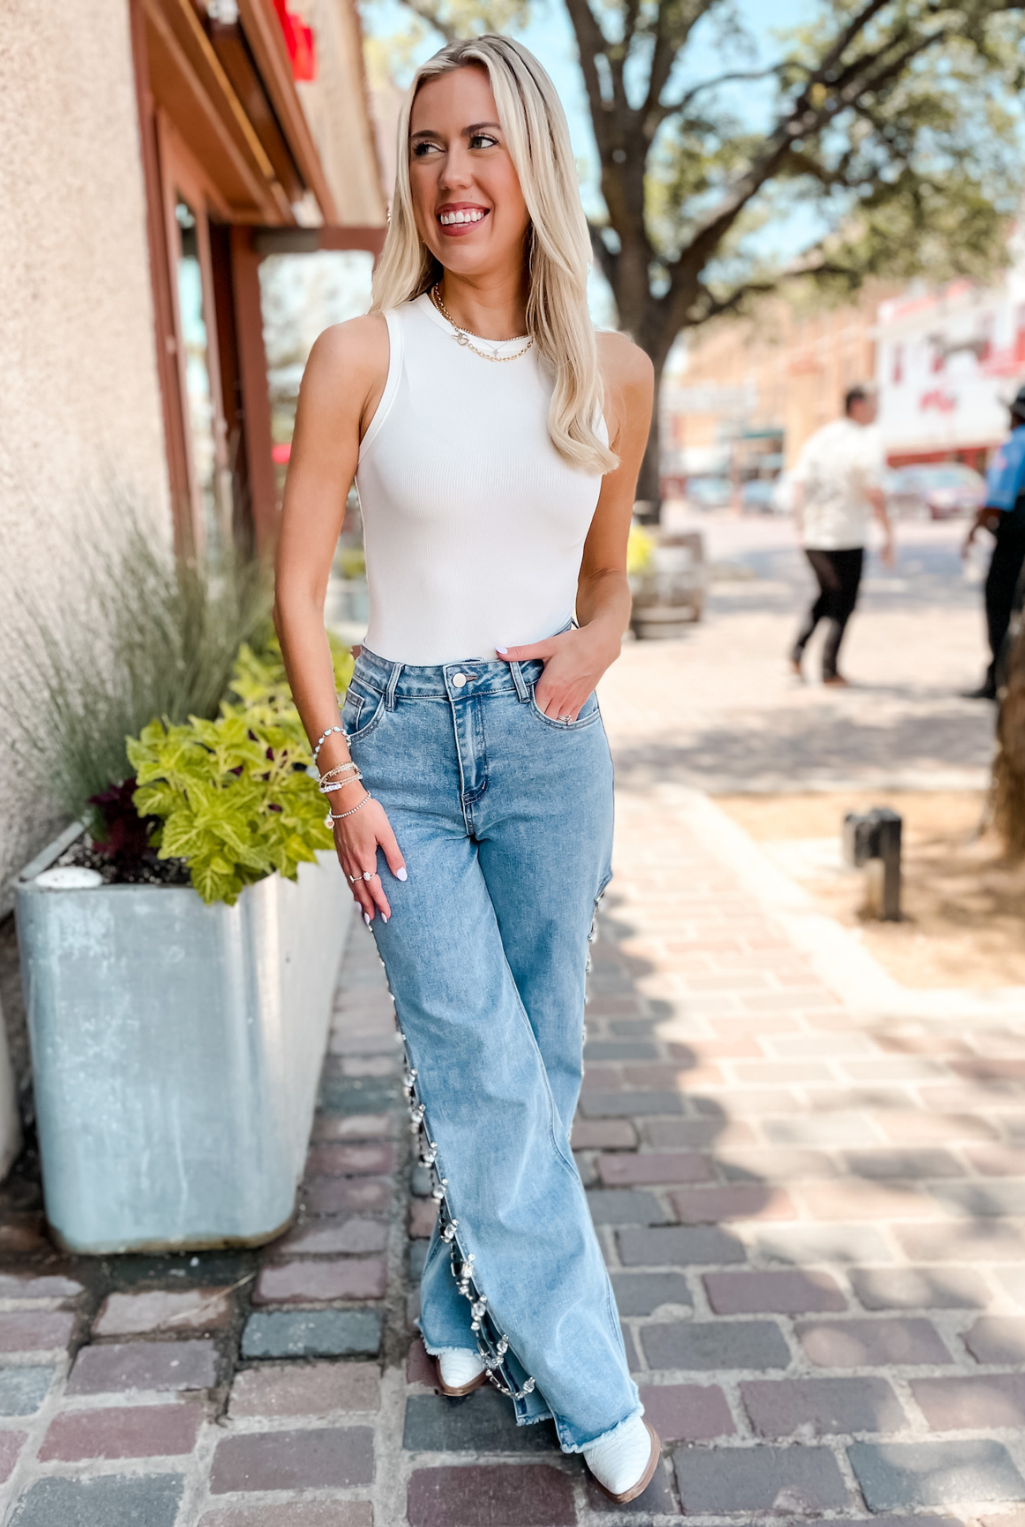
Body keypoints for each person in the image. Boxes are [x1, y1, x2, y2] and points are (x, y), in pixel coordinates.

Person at [274, 36, 659, 1504]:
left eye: (482, 141)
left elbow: (610, 574)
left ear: (533, 162)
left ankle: (455, 1303)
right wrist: (342, 781)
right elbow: (299, 591)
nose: (453, 174)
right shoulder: (363, 354)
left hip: (551, 743)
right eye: (428, 146)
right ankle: (591, 1383)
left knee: (539, 1058)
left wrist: (595, 645)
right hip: (401, 752)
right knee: (483, 1064)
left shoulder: (610, 371)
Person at [789, 384, 894, 686]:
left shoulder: (820, 438)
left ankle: (797, 653)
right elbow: (874, 492)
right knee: (842, 604)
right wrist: (888, 534)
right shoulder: (865, 441)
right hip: (845, 537)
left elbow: (799, 486)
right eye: (875, 403)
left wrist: (800, 528)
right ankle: (829, 670)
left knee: (826, 596)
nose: (878, 410)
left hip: (814, 536)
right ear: (858, 405)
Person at [962, 386, 1025, 699]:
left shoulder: (1016, 443)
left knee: (1000, 605)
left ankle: (998, 678)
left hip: (1015, 539)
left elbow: (996, 499)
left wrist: (973, 530)